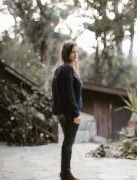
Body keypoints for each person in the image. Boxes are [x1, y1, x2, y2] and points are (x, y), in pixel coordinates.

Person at [52, 41, 82, 180]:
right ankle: (66, 174)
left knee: (67, 142)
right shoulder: (67, 69)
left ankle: (64, 173)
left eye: (76, 51)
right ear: (66, 53)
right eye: (72, 52)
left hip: (63, 113)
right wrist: (76, 113)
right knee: (68, 143)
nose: (75, 54)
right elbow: (68, 94)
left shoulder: (61, 69)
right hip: (69, 113)